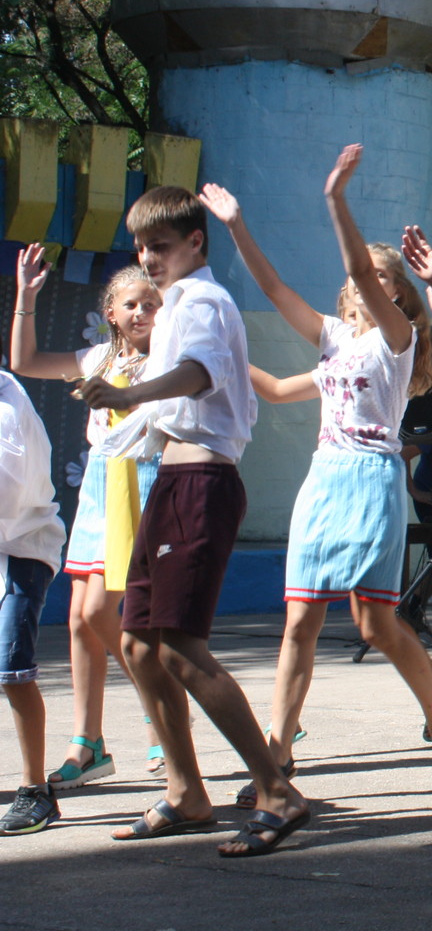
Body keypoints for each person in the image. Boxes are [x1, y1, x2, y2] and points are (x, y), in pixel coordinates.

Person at [204, 145, 432, 803]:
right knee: (299, 625)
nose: (359, 286)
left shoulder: (397, 340)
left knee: (375, 625)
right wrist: (235, 226)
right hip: (322, 482)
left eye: (376, 282)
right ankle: (278, 752)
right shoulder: (331, 340)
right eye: (357, 282)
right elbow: (273, 296)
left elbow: (357, 265)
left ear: (393, 296)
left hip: (373, 481)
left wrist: (336, 201)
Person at [81, 184, 310, 856]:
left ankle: (276, 790)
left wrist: (128, 392)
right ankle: (186, 793)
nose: (148, 258)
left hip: (202, 480)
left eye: (160, 246)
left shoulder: (204, 300)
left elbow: (196, 374)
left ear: (194, 244)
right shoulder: (179, 302)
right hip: (174, 478)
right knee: (138, 643)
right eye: (141, 247)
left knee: (179, 643)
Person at [11, 252, 166, 786]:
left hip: (139, 483)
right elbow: (25, 362)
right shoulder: (99, 356)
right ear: (111, 312)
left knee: (105, 612)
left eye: (153, 303)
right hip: (99, 486)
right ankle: (89, 743)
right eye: (133, 304)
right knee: (80, 618)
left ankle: (161, 715)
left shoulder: (166, 360)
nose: (144, 312)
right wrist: (26, 300)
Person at [0, 370, 69, 834]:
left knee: (12, 670)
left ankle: (35, 791)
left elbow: (7, 492)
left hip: (21, 550)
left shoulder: (9, 406)